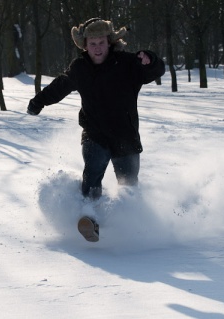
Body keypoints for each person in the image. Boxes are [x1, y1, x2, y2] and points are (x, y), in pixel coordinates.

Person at [27, 18, 165, 242]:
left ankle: (130, 225)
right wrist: (38, 102)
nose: (97, 48)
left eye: (101, 42)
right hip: (95, 134)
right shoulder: (80, 68)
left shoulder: (128, 64)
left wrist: (150, 59)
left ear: (109, 42)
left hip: (126, 136)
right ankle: (90, 219)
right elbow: (59, 86)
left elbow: (155, 70)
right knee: (93, 172)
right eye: (92, 43)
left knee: (128, 184)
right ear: (84, 45)